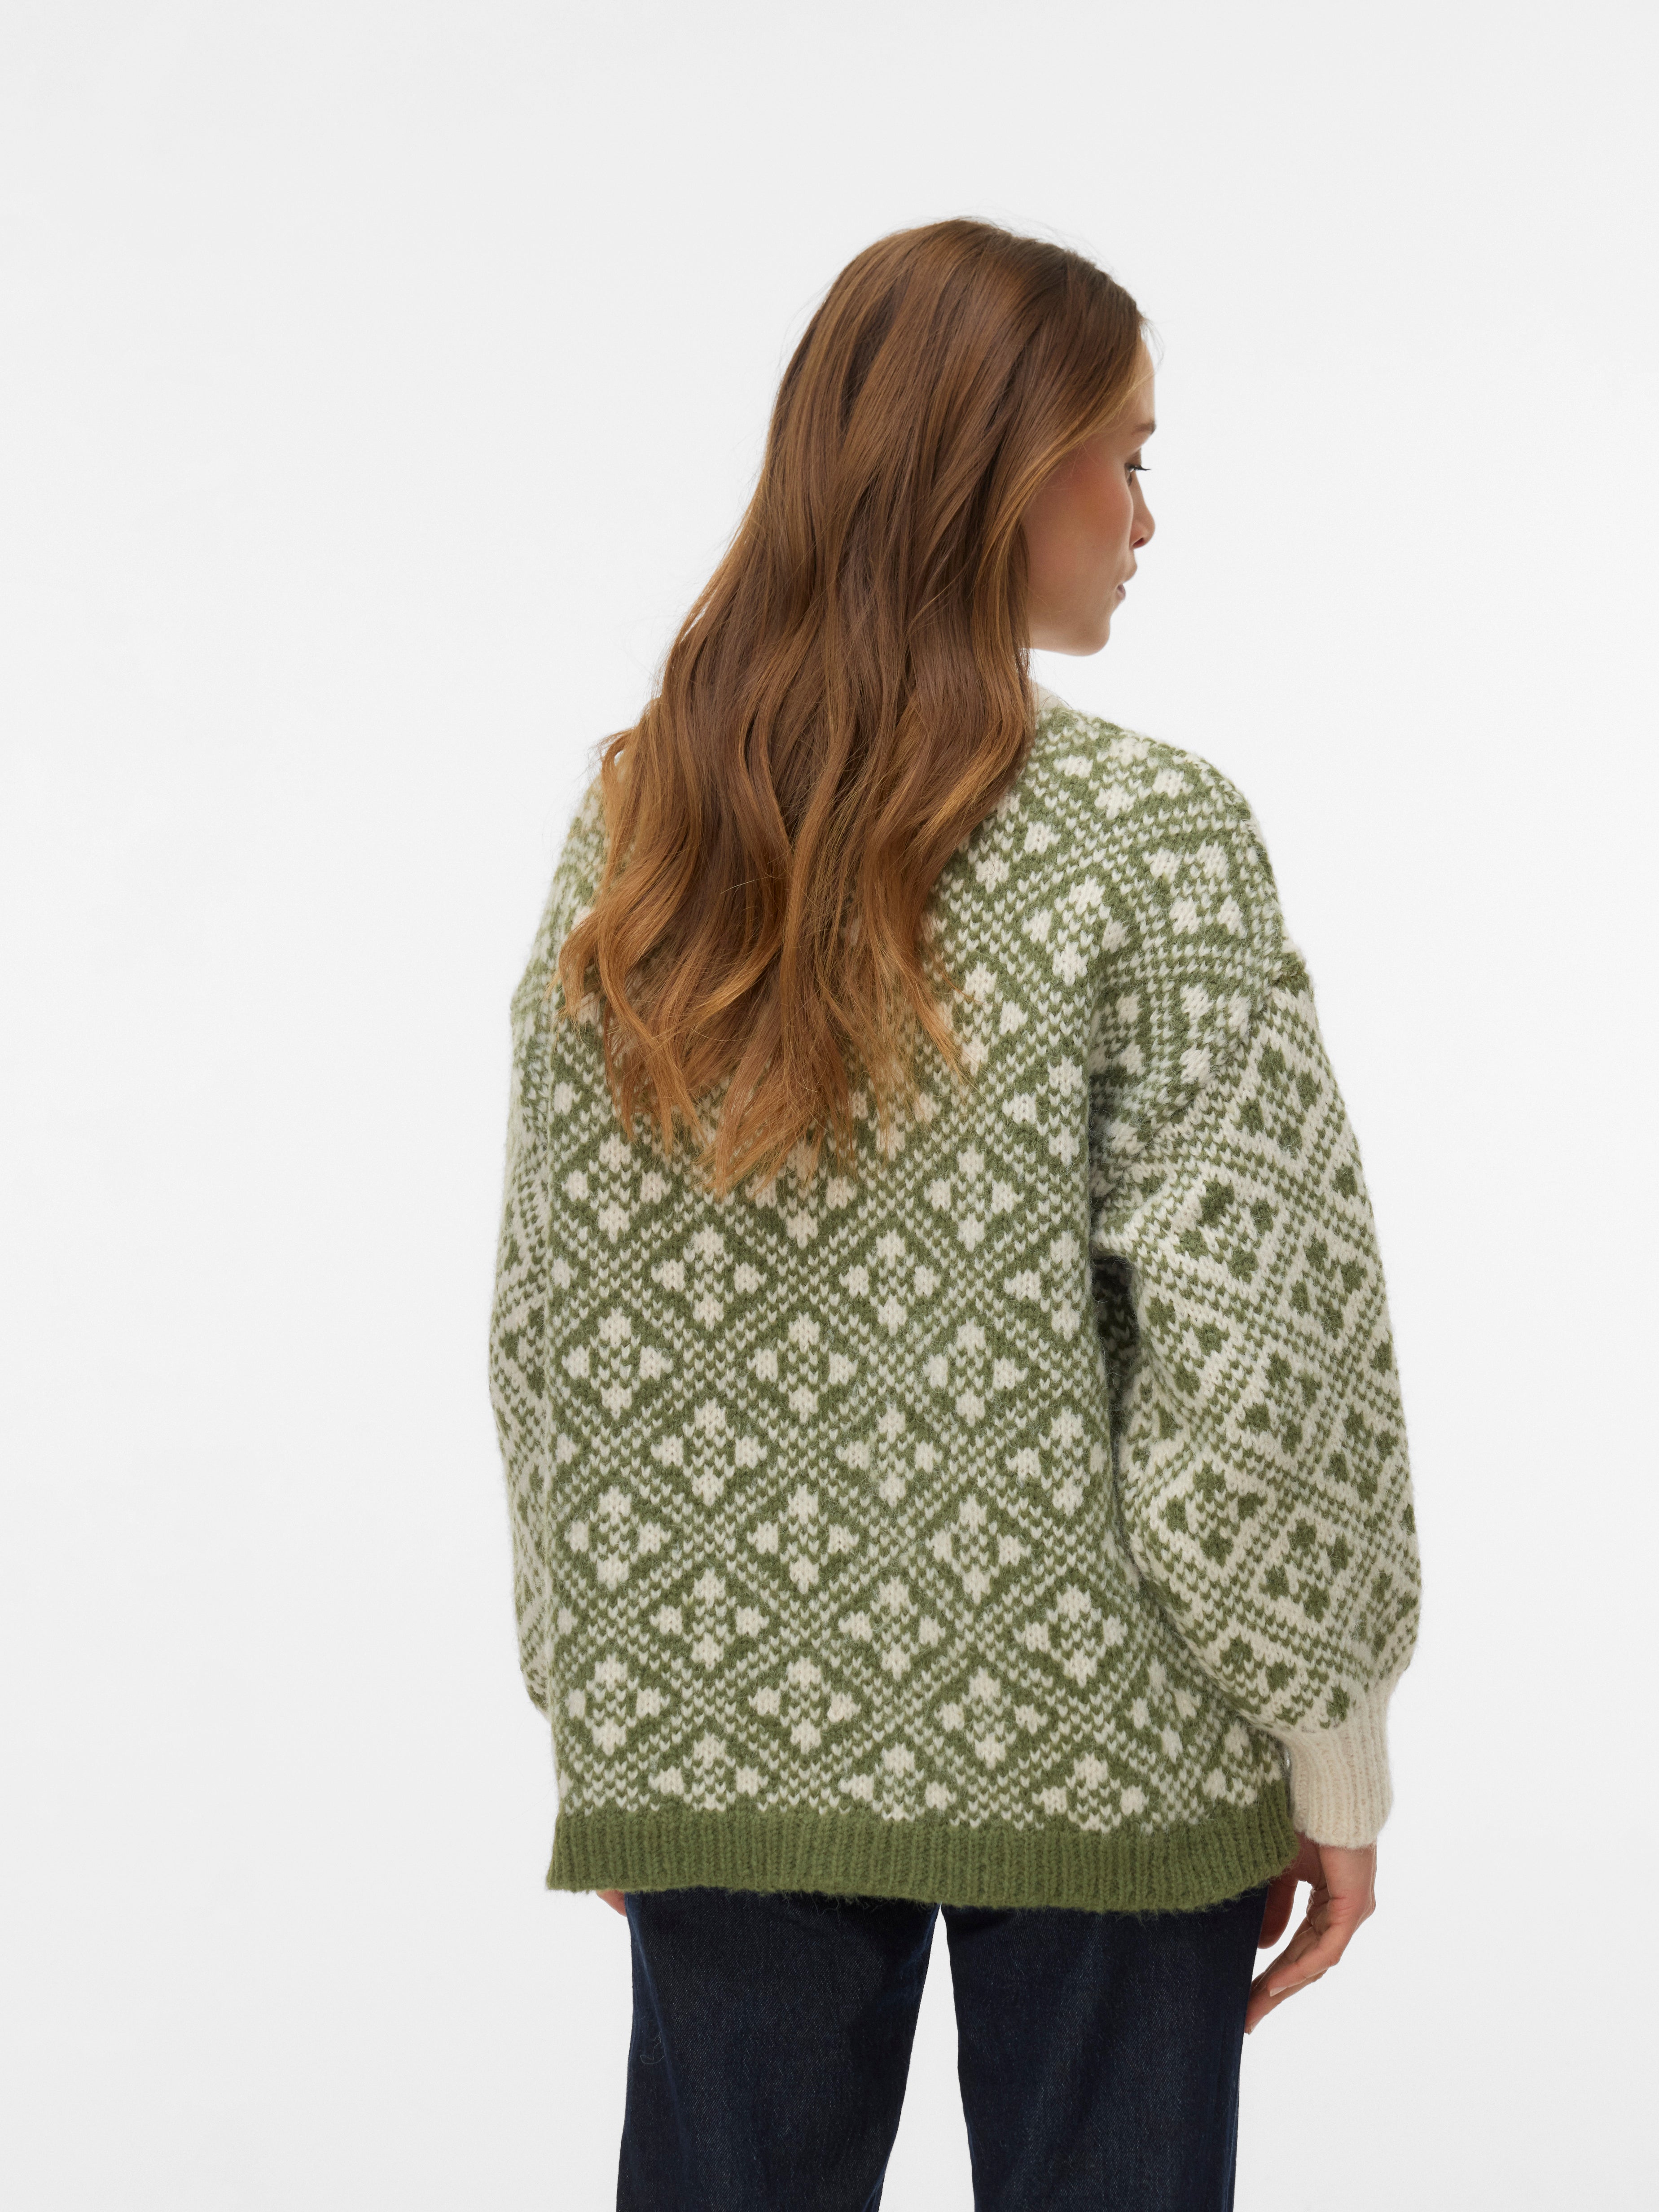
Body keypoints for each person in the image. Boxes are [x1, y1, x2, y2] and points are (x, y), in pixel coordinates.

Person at [489, 218, 1420, 2212]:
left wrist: (611, 1716)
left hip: (719, 1723)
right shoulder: (1150, 838)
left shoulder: (645, 826)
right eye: (1126, 458)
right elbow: (1265, 1346)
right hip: (1114, 1748)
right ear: (1002, 475)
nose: (1147, 519)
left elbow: (557, 1328)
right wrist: (1331, 1748)